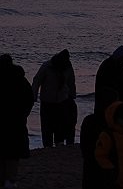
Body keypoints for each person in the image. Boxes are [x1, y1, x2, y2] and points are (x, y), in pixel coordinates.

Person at [0, 55, 35, 189]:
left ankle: (4, 179)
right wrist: (23, 114)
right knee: (13, 155)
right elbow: (29, 98)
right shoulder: (20, 79)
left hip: (4, 123)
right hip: (16, 123)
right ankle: (10, 180)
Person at [31, 49, 77, 148]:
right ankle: (47, 146)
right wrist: (33, 96)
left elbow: (71, 82)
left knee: (60, 125)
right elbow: (37, 81)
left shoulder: (67, 67)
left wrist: (72, 95)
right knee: (47, 127)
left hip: (62, 101)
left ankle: (59, 144)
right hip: (47, 101)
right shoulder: (47, 66)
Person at [81, 88, 119, 189]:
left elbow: (84, 148)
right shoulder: (114, 124)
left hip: (91, 168)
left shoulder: (89, 121)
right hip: (108, 168)